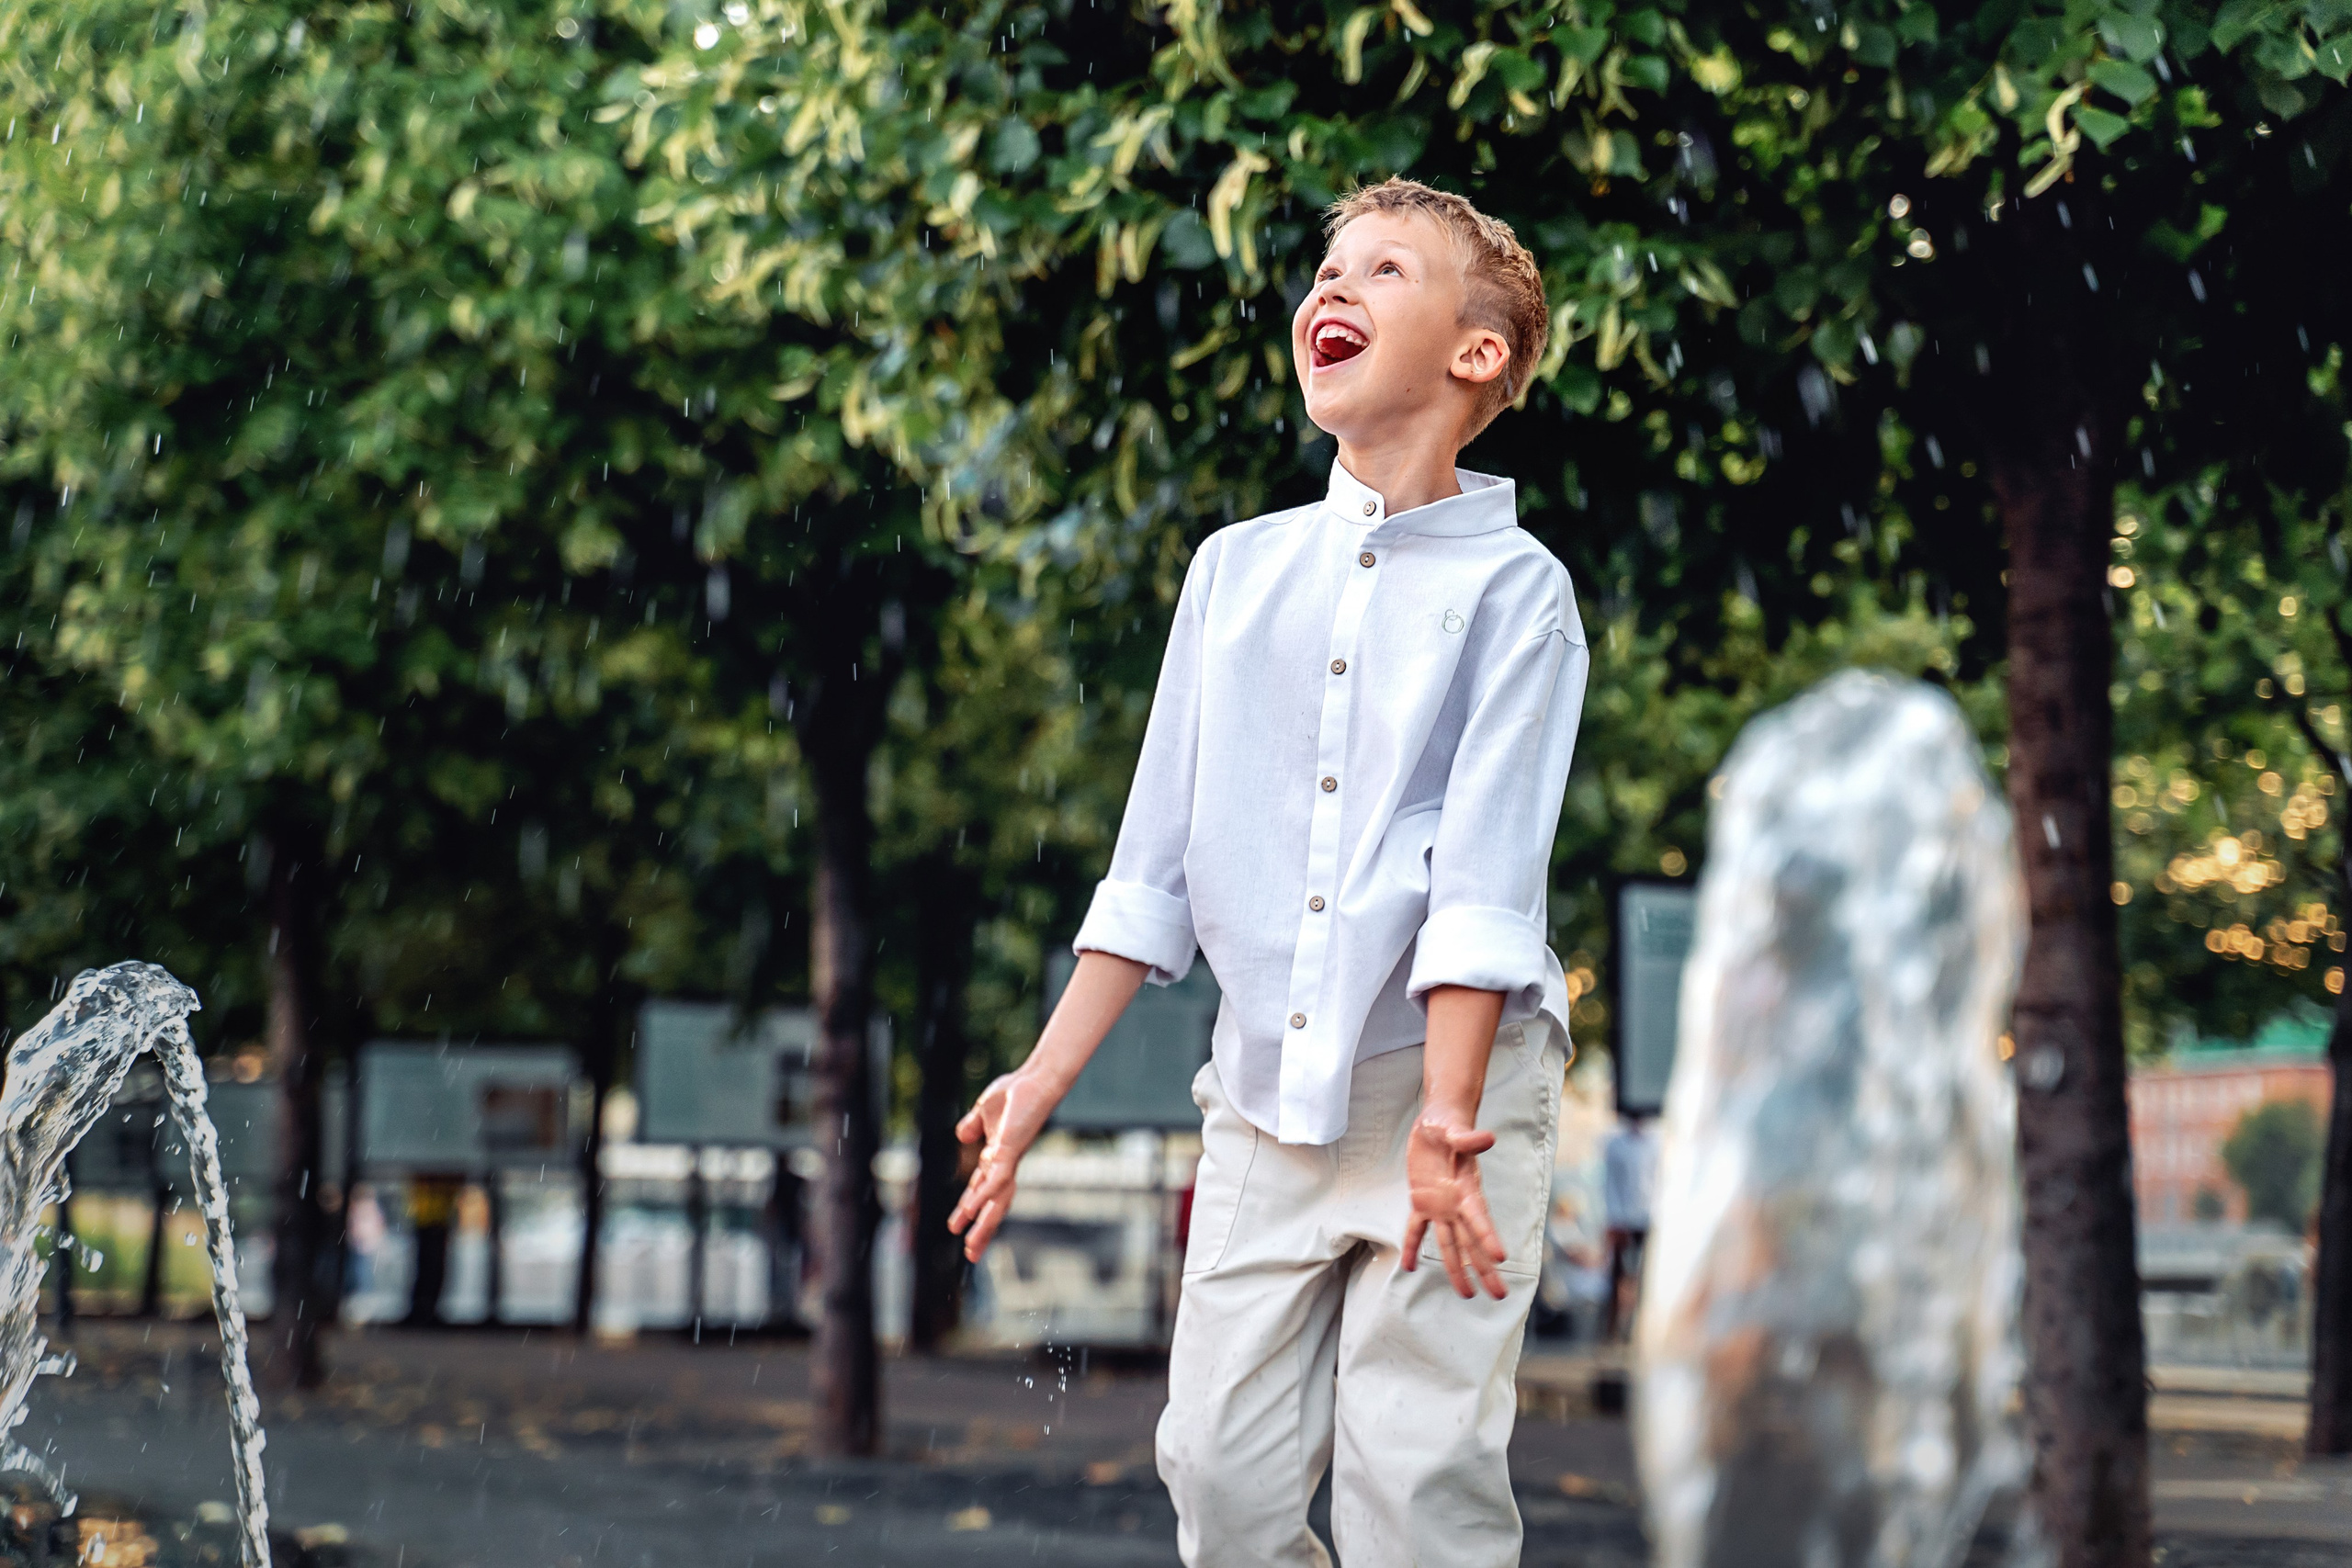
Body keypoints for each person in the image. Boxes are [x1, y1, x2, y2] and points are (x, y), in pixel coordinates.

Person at [950, 176, 1589, 1567]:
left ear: (1478, 353)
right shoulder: (1231, 573)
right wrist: (1039, 1080)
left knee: (1415, 1484)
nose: (1332, 290)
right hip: (1259, 1102)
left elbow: (1484, 883)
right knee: (1220, 1478)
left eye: (1384, 270)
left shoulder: (1518, 590)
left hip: (1447, 1095)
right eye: (1326, 271)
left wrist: (1446, 1118)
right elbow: (1153, 868)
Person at [1600, 1112, 1655, 1339]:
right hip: (1623, 1220)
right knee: (1618, 1276)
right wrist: (1615, 1219)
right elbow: (1610, 1183)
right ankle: (1611, 1333)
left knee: (1646, 1278)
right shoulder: (1615, 1143)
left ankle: (1640, 1332)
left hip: (1649, 1219)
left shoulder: (1657, 1141)